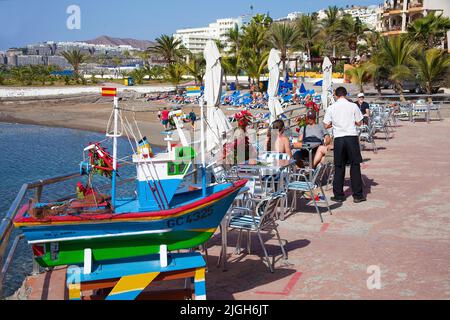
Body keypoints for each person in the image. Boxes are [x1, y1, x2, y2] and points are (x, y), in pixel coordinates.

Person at [323, 86, 366, 203]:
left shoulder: (332, 107)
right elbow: (359, 122)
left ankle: (339, 195)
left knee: (339, 166)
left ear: (336, 95)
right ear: (346, 94)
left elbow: (326, 125)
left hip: (339, 138)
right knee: (355, 166)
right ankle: (357, 195)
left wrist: (335, 124)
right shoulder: (353, 106)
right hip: (351, 137)